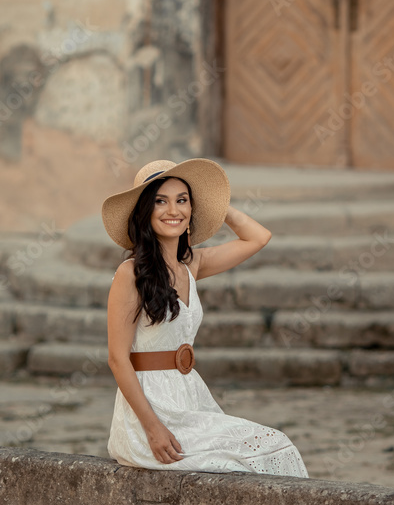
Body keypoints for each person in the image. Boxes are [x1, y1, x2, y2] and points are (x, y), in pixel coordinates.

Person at [103, 157, 309, 477]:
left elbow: (258, 237)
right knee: (260, 453)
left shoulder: (191, 265)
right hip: (149, 413)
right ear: (144, 212)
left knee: (275, 448)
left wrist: (214, 205)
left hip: (189, 397)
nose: (173, 210)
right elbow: (117, 359)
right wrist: (153, 428)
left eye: (182, 200)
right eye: (161, 201)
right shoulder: (130, 274)